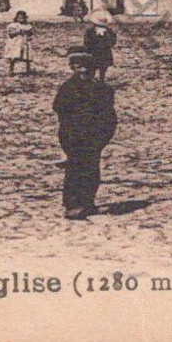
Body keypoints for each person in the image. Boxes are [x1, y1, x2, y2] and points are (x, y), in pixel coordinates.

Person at [53, 51, 117, 220]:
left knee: (91, 169)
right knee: (75, 168)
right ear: (73, 68)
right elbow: (60, 109)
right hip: (73, 135)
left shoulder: (102, 89)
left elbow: (108, 114)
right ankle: (72, 204)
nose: (83, 71)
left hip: (95, 136)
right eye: (79, 67)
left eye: (88, 69)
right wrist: (71, 131)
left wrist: (103, 134)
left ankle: (88, 203)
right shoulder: (68, 88)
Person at [83, 12, 117, 82]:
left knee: (101, 68)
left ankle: (100, 81)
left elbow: (113, 41)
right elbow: (86, 41)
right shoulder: (91, 31)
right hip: (97, 52)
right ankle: (93, 81)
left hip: (100, 53)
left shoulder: (108, 31)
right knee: (94, 68)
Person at [4, 10, 33, 75]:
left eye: (23, 18)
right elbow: (10, 34)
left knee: (26, 56)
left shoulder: (27, 26)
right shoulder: (13, 25)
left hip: (24, 43)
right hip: (16, 43)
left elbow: (30, 33)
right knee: (14, 56)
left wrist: (28, 34)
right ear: (16, 18)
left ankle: (28, 70)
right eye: (19, 18)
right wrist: (18, 31)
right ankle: (11, 70)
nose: (21, 19)